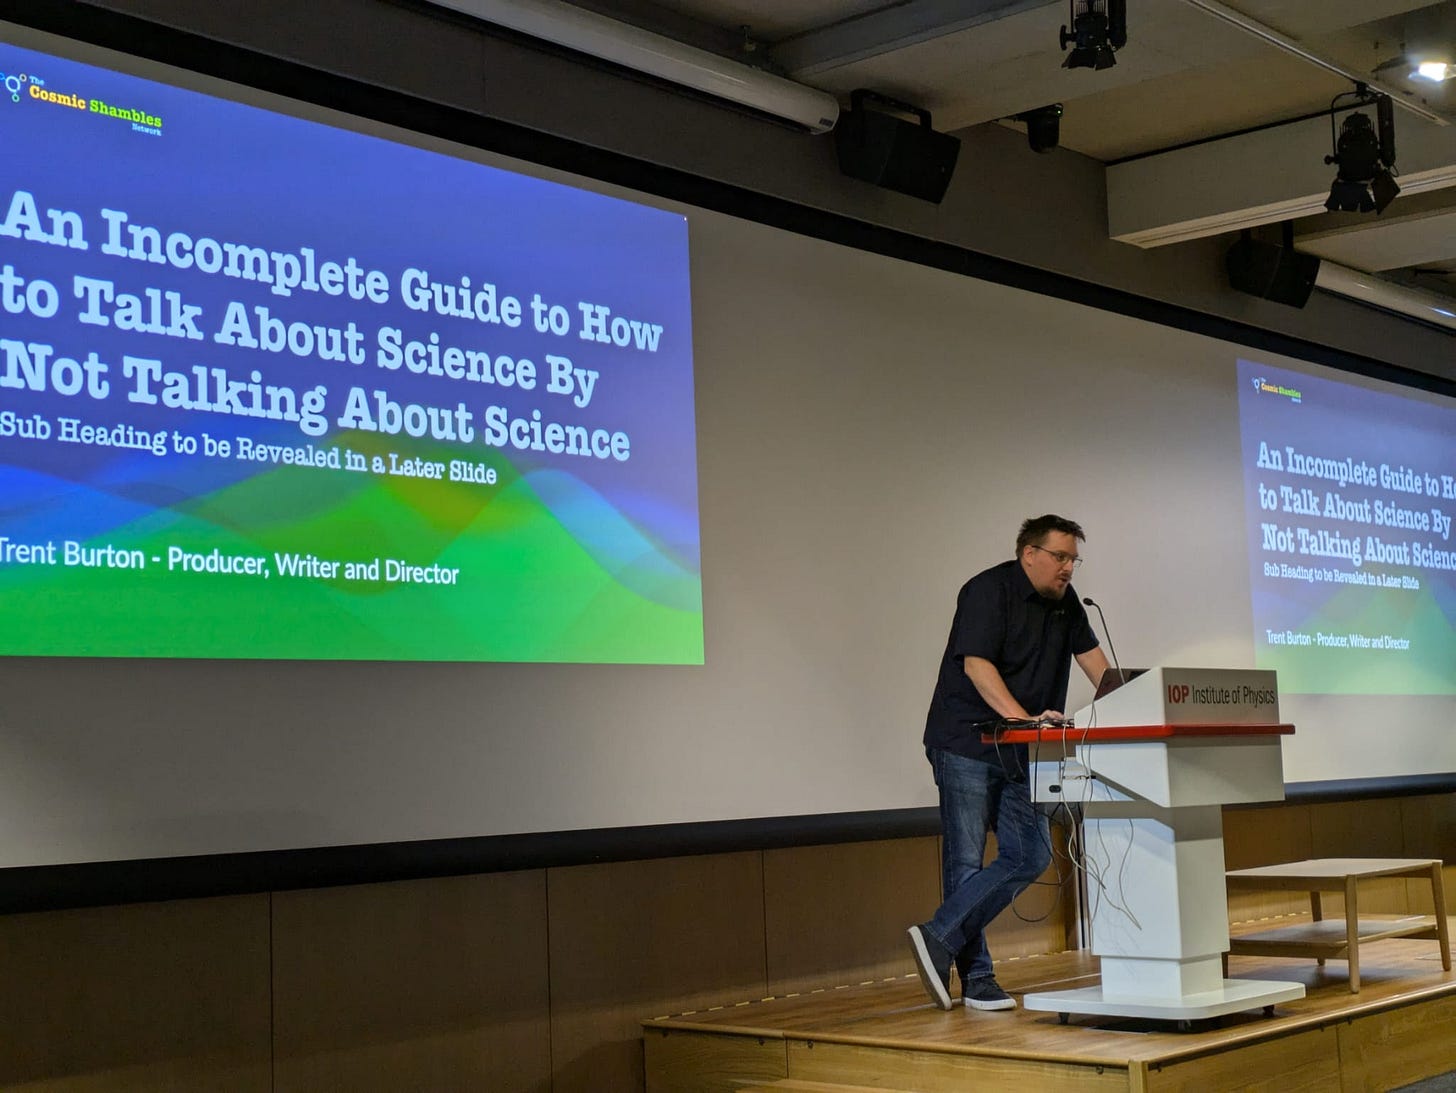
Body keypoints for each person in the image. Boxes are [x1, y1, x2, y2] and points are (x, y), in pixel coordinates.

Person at [907, 514, 1111, 1011]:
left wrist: (1133, 703)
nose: (1068, 569)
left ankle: (937, 935)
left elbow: (1099, 669)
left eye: (1073, 559)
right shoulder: (986, 590)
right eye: (1060, 557)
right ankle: (978, 979)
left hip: (1023, 749)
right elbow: (976, 664)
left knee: (1031, 855)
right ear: (1029, 554)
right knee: (965, 862)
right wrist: (1023, 719)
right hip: (967, 743)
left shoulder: (1068, 606)